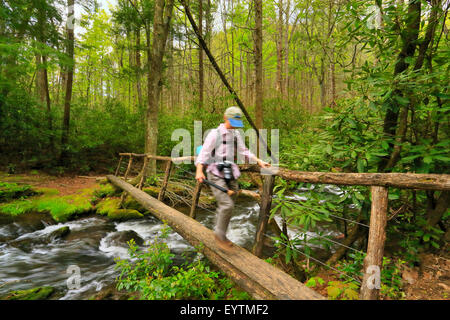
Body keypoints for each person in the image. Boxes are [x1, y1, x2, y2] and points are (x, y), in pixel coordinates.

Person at [195, 106, 270, 247]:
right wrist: (199, 170)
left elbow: (243, 151)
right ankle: (220, 236)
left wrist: (258, 160)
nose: (234, 127)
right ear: (225, 118)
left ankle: (218, 223)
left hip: (230, 172)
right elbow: (204, 153)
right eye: (232, 123)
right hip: (215, 172)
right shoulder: (214, 134)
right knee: (227, 205)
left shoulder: (236, 134)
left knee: (233, 198)